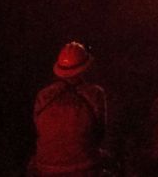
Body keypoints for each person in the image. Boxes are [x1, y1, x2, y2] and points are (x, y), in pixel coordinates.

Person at [30, 41, 108, 177]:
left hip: (46, 168)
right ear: (86, 68)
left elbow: (37, 128)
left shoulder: (44, 95)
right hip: (84, 168)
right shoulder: (95, 94)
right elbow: (100, 132)